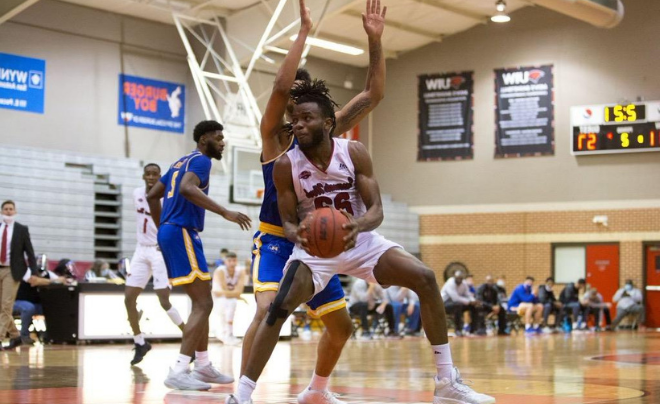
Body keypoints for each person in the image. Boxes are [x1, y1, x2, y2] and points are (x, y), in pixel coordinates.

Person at [227, 81, 495, 404]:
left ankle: (446, 381)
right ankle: (242, 395)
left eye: (306, 118)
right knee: (277, 308)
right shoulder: (286, 164)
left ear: (328, 123)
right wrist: (298, 233)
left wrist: (357, 225)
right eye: (294, 119)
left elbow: (377, 211)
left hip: (360, 239)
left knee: (425, 278)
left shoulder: (353, 152)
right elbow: (287, 220)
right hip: (315, 250)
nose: (298, 124)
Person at [239, 0, 388, 403]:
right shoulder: (276, 137)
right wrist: (303, 32)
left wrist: (375, 40)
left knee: (341, 329)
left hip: (318, 243)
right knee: (267, 309)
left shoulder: (327, 132)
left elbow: (373, 93)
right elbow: (279, 86)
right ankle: (242, 393)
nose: (297, 117)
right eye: (291, 109)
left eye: (305, 111)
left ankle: (317, 391)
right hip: (277, 238)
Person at [147, 120, 252, 390]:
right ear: (204, 138)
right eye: (218, 137)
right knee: (204, 304)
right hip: (182, 231)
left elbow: (153, 195)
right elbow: (186, 188)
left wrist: (163, 229)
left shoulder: (179, 162)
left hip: (174, 232)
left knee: (201, 302)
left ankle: (203, 365)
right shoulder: (202, 161)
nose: (222, 142)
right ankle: (180, 369)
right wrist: (225, 212)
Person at [124, 163, 186, 366]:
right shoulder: (136, 193)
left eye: (155, 174)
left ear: (161, 177)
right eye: (148, 174)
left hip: (158, 249)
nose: (151, 177)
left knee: (163, 300)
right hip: (141, 249)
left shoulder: (166, 197)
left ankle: (188, 338)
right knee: (129, 298)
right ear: (143, 176)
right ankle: (140, 341)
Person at [0, 200, 39, 350]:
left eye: (11, 209)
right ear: (2, 211)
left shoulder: (21, 229)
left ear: (15, 212)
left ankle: (1, 337)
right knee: (1, 307)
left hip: (13, 270)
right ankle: (16, 336)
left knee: (6, 306)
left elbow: (30, 252)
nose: (9, 211)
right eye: (6, 209)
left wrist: (34, 272)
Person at [212, 251, 245, 344]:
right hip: (216, 297)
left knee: (231, 302)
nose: (232, 263)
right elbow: (222, 291)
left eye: (234, 260)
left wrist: (236, 295)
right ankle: (226, 334)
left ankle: (228, 334)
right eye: (229, 261)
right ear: (225, 262)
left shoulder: (241, 271)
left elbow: (239, 291)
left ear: (237, 261)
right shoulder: (220, 271)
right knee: (229, 303)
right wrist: (237, 295)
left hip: (226, 297)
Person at [441, 271, 482, 336]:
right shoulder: (450, 283)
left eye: (460, 279)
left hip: (459, 303)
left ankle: (473, 330)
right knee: (458, 305)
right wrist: (469, 302)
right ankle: (458, 330)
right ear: (454, 278)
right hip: (445, 304)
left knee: (475, 306)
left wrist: (474, 301)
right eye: (457, 278)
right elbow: (455, 298)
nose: (459, 280)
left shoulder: (464, 283)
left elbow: (468, 294)